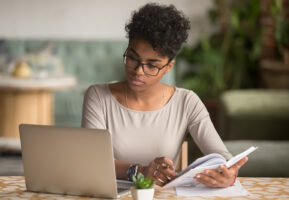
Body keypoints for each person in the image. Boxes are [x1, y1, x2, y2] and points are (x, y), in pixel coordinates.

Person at [81, 3, 247, 188]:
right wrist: (140, 171)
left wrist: (228, 174)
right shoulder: (98, 96)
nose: (138, 71)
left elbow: (222, 157)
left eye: (151, 65)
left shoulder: (186, 102)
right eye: (133, 58)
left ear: (169, 67)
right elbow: (92, 161)